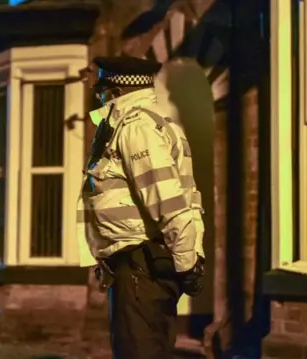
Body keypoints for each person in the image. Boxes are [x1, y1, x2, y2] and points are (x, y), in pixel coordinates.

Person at [76, 55, 206, 359]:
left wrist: (187, 263)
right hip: (143, 266)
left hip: (140, 269)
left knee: (137, 351)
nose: (100, 97)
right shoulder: (155, 123)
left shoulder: (136, 128)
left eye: (103, 90)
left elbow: (169, 201)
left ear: (117, 90)